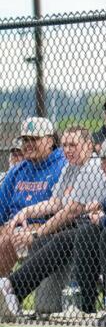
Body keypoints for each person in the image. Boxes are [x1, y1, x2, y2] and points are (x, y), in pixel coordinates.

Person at [0, 137, 106, 318]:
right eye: (65, 145)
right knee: (75, 235)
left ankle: (104, 304)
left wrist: (35, 233)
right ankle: (81, 306)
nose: (102, 166)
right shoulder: (74, 169)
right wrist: (99, 206)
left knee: (88, 233)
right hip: (97, 228)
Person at [8, 127, 106, 254]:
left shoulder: (92, 166)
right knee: (36, 241)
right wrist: (26, 212)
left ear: (89, 145)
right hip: (77, 227)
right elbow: (55, 203)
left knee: (43, 240)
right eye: (65, 145)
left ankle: (19, 275)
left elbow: (70, 212)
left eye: (73, 145)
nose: (67, 150)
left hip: (95, 228)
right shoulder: (70, 167)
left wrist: (35, 234)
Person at [0, 117, 67, 282]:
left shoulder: (62, 164)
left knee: (10, 239)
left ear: (50, 140)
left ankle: (8, 294)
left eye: (34, 139)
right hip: (13, 227)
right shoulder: (17, 171)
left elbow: (64, 211)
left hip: (46, 230)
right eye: (25, 140)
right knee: (8, 236)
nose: (28, 144)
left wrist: (30, 228)